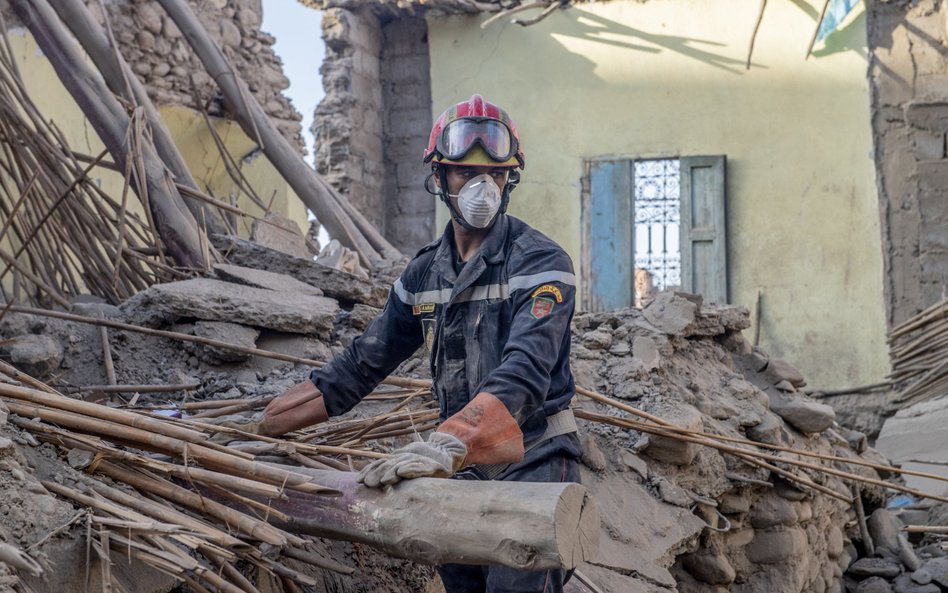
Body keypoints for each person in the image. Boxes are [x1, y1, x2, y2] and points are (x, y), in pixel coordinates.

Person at [234, 94, 582, 593]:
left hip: (536, 456)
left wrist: (444, 444)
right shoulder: (423, 275)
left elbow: (524, 374)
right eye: (465, 174)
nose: (483, 187)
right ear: (439, 178)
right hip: (461, 466)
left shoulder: (540, 262)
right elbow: (358, 367)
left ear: (510, 180)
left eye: (497, 175)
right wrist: (263, 423)